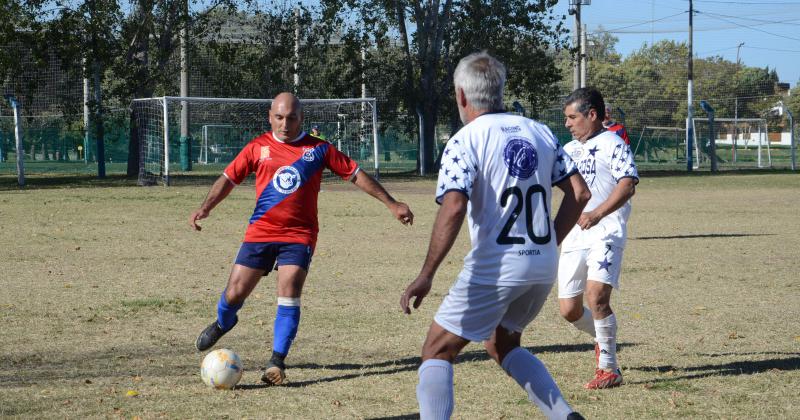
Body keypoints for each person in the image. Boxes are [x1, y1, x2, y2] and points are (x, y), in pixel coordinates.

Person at [400, 52, 591, 420]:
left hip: (497, 266)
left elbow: (453, 207)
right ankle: (565, 416)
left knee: (437, 350)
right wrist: (548, 240)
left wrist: (426, 275)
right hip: (542, 264)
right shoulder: (541, 131)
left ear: (460, 96)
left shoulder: (464, 140)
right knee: (501, 343)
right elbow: (580, 193)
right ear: (500, 92)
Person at [190, 92, 414, 386]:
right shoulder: (257, 148)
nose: (285, 124)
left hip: (299, 235)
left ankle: (276, 362)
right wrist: (206, 207)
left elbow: (357, 175)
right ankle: (224, 321)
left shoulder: (319, 149)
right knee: (234, 293)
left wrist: (392, 203)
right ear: (270, 116)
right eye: (279, 117)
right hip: (261, 231)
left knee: (289, 289)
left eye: (292, 118)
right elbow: (229, 179)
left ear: (302, 118)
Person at [559, 88, 638, 389]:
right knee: (569, 310)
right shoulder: (568, 150)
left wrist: (598, 214)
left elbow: (627, 185)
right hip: (574, 235)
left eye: (572, 117)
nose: (567, 124)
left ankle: (609, 368)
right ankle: (604, 338)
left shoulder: (613, 143)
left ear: (592, 115)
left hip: (606, 231)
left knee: (597, 297)